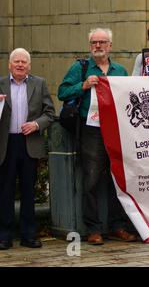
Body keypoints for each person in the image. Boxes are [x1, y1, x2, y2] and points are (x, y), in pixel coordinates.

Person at [58, 28, 137, 244]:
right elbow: (62, 92)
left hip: (117, 130)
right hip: (90, 129)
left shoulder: (119, 70)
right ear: (90, 45)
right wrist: (82, 85)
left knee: (117, 178)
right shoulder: (80, 67)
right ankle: (93, 228)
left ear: (110, 46)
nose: (98, 46)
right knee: (91, 179)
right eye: (94, 42)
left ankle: (117, 226)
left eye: (102, 42)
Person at [0, 48, 55, 250]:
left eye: (24, 62)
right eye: (17, 62)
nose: (20, 65)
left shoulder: (39, 83)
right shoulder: (1, 83)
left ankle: (28, 235)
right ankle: (4, 236)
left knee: (28, 191)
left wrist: (36, 124)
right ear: (10, 65)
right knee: (4, 191)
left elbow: (50, 112)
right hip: (5, 144)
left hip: (29, 143)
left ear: (29, 66)